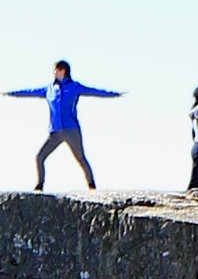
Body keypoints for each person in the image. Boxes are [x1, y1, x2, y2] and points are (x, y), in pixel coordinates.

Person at [7, 61, 119, 190]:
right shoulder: (49, 89)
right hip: (55, 132)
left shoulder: (74, 87)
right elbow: (30, 92)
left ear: (62, 70)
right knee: (40, 157)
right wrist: (13, 93)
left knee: (81, 158)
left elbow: (94, 91)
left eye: (55, 70)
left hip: (71, 130)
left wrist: (113, 94)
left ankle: (91, 185)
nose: (53, 73)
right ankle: (39, 185)